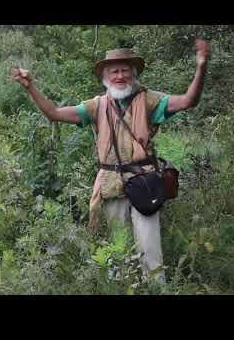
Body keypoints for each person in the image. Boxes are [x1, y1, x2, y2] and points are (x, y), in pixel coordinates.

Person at [12, 39, 211, 285]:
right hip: (109, 186)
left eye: (125, 70)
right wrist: (30, 86)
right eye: (113, 71)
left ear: (133, 73)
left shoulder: (150, 100)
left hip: (143, 183)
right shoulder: (96, 106)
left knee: (150, 254)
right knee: (120, 252)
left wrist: (201, 66)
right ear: (105, 76)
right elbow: (53, 113)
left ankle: (157, 291)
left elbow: (188, 101)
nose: (120, 75)